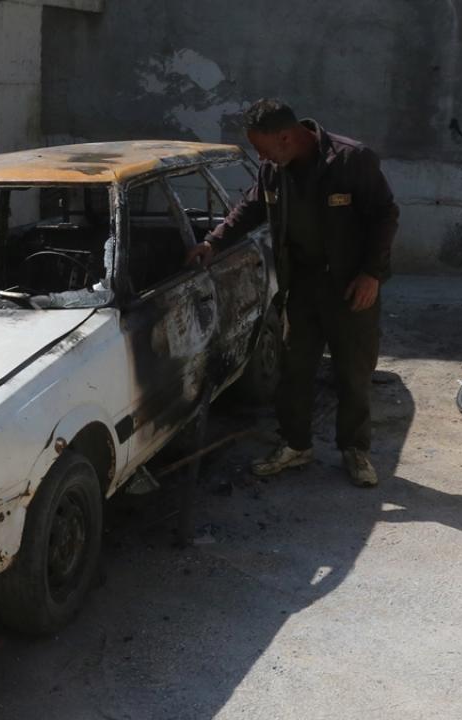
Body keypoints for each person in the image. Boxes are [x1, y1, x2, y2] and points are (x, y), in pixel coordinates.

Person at [186, 99, 399, 488]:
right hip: (301, 285)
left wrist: (372, 274)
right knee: (294, 369)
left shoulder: (351, 160)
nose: (260, 157)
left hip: (351, 287)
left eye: (262, 148)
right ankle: (296, 445)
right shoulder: (274, 169)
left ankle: (355, 449)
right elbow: (250, 207)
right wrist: (213, 242)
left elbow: (385, 215)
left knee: (353, 372)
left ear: (285, 136)